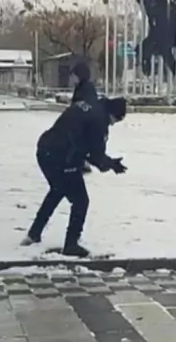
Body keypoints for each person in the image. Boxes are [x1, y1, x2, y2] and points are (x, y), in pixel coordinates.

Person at [21, 96, 128, 257]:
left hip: (45, 150)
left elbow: (87, 148)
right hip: (62, 156)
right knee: (80, 200)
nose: (113, 124)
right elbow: (96, 154)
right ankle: (71, 243)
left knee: (58, 190)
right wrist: (112, 164)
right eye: (115, 120)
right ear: (112, 114)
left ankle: (34, 233)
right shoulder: (99, 121)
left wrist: (107, 162)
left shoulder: (91, 105)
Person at [69, 60, 98, 173]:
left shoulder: (86, 88)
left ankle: (82, 162)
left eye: (73, 76)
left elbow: (87, 104)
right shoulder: (81, 87)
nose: (72, 79)